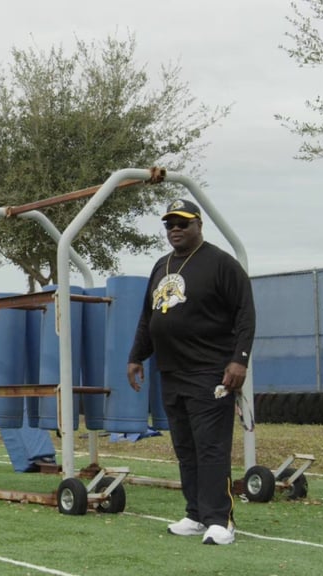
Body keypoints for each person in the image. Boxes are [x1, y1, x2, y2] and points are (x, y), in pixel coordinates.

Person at [127, 198, 256, 546]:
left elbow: (245, 313)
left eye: (183, 223)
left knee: (211, 447)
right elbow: (148, 316)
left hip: (210, 371)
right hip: (171, 372)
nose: (176, 230)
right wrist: (137, 355)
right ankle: (196, 513)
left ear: (199, 225)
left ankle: (220, 520)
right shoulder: (161, 266)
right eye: (170, 225)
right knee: (185, 447)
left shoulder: (221, 264)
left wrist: (239, 360)